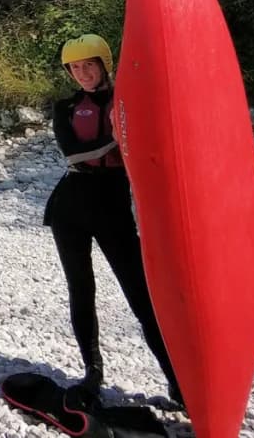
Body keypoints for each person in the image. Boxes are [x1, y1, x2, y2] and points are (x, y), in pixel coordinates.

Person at [45, 33, 181, 405]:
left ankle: (177, 380)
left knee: (140, 295)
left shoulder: (126, 103)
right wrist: (117, 138)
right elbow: (73, 154)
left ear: (104, 65)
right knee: (81, 290)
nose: (82, 73)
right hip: (69, 208)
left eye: (88, 65)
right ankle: (92, 373)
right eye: (75, 68)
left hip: (113, 208)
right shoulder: (64, 107)